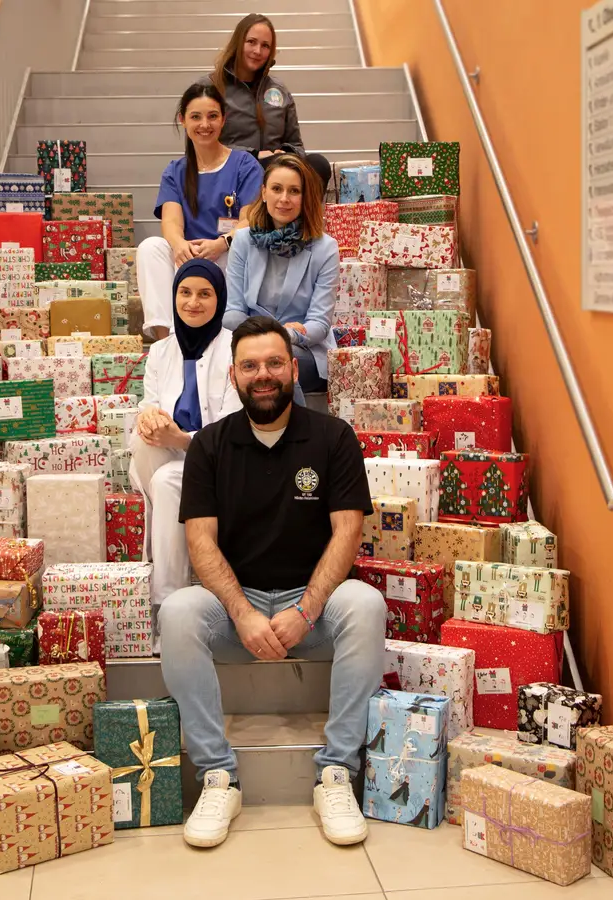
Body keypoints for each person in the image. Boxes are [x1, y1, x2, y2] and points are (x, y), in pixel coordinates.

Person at [160, 316, 385, 849]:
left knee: (368, 604)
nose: (264, 375)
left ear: (293, 368)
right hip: (237, 610)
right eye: (250, 365)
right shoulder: (210, 447)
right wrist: (242, 613)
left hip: (313, 608)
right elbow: (200, 544)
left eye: (274, 363)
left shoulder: (333, 437)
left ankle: (335, 772)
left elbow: (348, 531)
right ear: (233, 376)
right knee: (177, 613)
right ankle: (219, 776)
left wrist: (305, 611)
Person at [129, 260, 244, 618]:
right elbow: (149, 402)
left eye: (205, 294)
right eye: (185, 292)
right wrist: (149, 418)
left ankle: (166, 607)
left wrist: (181, 439)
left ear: (219, 299)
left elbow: (230, 430)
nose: (193, 302)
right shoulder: (161, 351)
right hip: (164, 462)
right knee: (146, 441)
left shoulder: (235, 349)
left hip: (220, 465)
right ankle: (172, 607)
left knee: (167, 482)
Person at [137, 83, 266, 341]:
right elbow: (171, 222)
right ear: (182, 120)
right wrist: (179, 245)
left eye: (212, 116)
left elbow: (250, 219)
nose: (204, 124)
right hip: (188, 257)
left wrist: (221, 243)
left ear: (223, 119)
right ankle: (168, 339)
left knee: (244, 241)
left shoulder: (244, 164)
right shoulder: (175, 171)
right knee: (150, 247)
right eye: (195, 117)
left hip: (227, 256)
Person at [223, 153, 340, 397]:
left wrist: (286, 336)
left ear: (305, 197)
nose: (284, 199)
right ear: (264, 193)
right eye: (277, 189)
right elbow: (232, 312)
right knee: (239, 360)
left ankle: (288, 433)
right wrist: (267, 335)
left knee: (277, 365)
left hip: (302, 348)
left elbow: (318, 324)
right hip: (251, 340)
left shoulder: (325, 248)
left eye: (294, 191)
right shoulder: (243, 241)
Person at [199, 14, 333, 193]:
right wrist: (253, 155)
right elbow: (202, 144)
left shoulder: (279, 90)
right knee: (267, 170)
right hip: (230, 171)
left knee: (318, 164)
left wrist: (285, 155)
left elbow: (296, 145)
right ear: (238, 42)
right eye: (251, 42)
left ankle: (299, 221)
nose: (257, 51)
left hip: (275, 173)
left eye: (265, 46)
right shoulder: (210, 87)